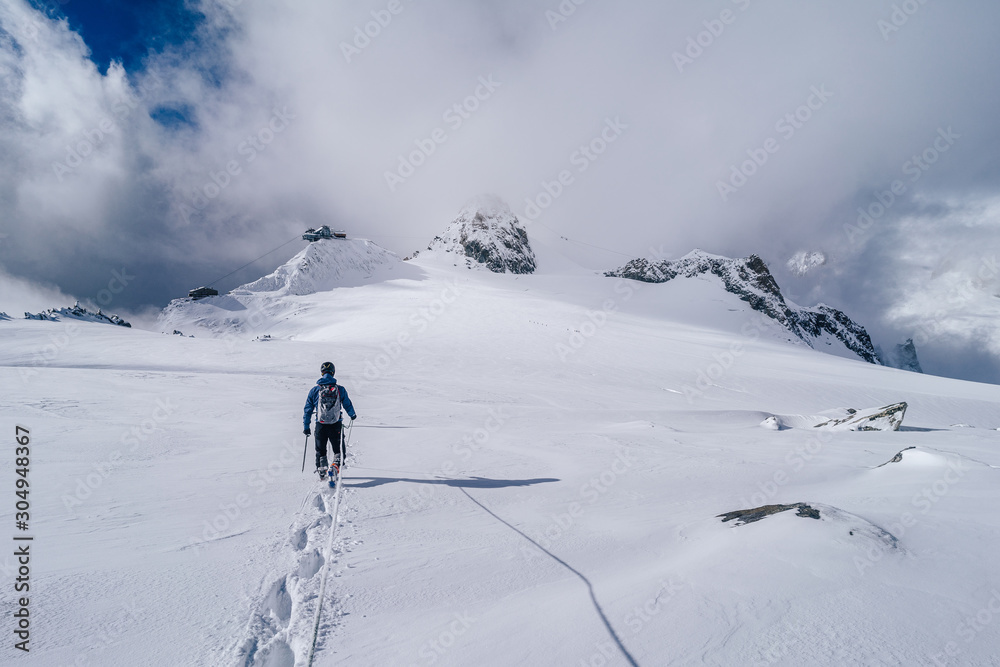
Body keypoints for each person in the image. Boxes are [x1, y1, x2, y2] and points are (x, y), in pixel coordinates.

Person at [303, 361, 357, 479]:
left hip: (320, 425)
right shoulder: (340, 389)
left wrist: (306, 427)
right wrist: (352, 414)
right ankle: (335, 467)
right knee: (338, 450)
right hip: (335, 424)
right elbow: (347, 404)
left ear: (322, 373)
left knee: (320, 450)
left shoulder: (314, 390)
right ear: (333, 372)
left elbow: (307, 409)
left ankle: (322, 471)